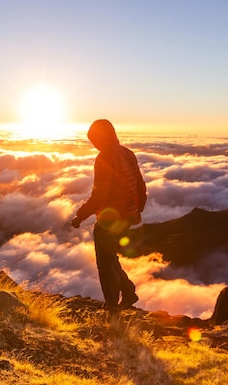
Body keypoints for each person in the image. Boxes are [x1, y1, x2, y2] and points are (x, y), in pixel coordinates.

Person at [71, 119, 147, 316]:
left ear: (103, 137)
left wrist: (80, 216)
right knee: (110, 258)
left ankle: (112, 308)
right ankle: (128, 292)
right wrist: (138, 210)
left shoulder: (105, 157)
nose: (94, 145)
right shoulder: (128, 154)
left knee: (105, 263)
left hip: (111, 219)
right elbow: (140, 184)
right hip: (128, 216)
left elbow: (100, 194)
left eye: (95, 140)